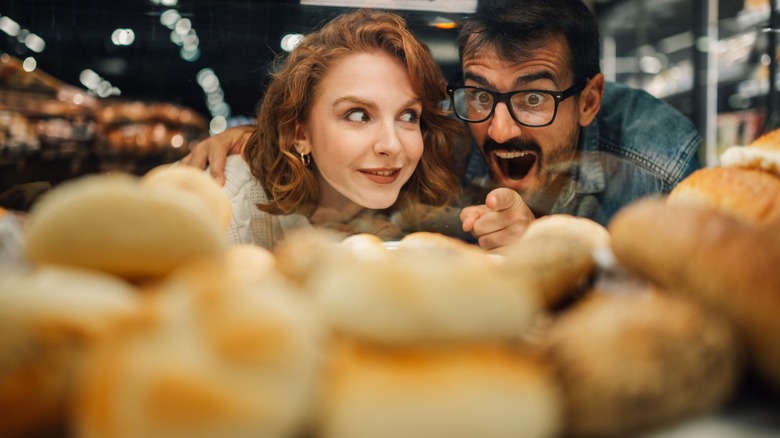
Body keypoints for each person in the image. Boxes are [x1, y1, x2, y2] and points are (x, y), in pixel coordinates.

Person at [183, 0, 702, 251]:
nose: (499, 130)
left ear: (588, 100)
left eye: (534, 97)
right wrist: (258, 139)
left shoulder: (656, 162)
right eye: (479, 93)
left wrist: (543, 249)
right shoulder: (443, 144)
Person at [201, 9, 466, 250]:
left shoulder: (413, 209)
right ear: (300, 135)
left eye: (408, 116)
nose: (392, 145)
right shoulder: (225, 208)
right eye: (359, 115)